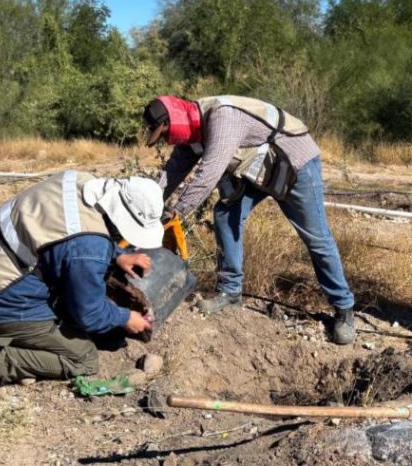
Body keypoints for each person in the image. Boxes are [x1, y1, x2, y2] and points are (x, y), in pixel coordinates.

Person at [141, 94, 356, 345]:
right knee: (225, 214)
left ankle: (344, 308)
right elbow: (171, 173)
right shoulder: (192, 134)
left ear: (173, 122)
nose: (166, 141)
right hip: (259, 168)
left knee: (316, 237)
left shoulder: (223, 118)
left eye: (164, 134)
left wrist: (173, 214)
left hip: (294, 162)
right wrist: (145, 208)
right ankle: (230, 292)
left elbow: (209, 174)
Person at [0, 171, 166, 399]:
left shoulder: (79, 180)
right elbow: (89, 314)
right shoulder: (89, 249)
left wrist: (117, 254)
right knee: (83, 358)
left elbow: (66, 232)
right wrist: (125, 317)